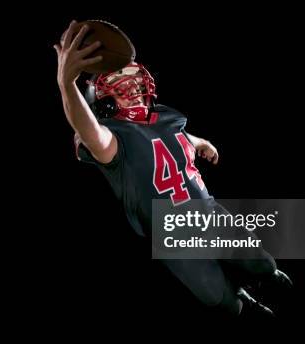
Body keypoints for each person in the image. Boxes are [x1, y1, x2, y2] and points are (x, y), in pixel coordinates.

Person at [54, 20, 291, 317]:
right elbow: (89, 130)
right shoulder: (111, 138)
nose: (132, 83)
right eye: (120, 79)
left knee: (262, 263)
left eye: (133, 76)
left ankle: (267, 279)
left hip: (208, 214)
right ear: (102, 99)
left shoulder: (163, 118)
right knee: (220, 300)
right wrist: (67, 85)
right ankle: (245, 299)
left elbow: (174, 138)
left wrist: (200, 141)